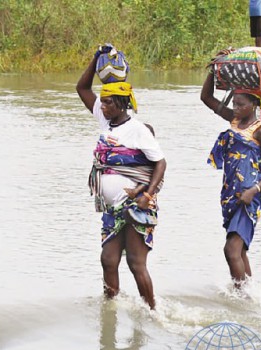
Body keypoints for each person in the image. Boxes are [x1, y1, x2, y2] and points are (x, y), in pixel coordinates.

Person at [77, 46, 167, 310]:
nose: (102, 105)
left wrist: (147, 195)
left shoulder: (138, 130)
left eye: (107, 102)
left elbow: (160, 163)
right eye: (102, 101)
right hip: (112, 209)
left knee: (136, 264)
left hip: (136, 205)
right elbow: (82, 89)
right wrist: (95, 59)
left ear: (121, 104)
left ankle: (152, 312)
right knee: (108, 260)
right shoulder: (107, 124)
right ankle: (111, 309)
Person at [200, 55, 261, 288]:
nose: (235, 108)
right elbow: (206, 97)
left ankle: (241, 298)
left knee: (231, 250)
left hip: (249, 196)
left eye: (240, 104)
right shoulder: (235, 120)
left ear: (255, 105)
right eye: (234, 104)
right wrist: (214, 69)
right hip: (230, 194)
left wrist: (255, 189)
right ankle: (250, 292)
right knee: (240, 250)